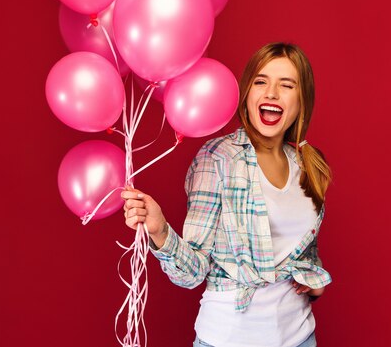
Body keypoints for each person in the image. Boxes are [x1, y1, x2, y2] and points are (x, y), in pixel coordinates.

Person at [121, 42, 332, 347]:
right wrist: (160, 231)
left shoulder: (308, 164)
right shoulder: (219, 158)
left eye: (286, 85)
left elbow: (301, 248)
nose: (271, 92)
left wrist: (315, 281)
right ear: (246, 93)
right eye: (261, 81)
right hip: (228, 339)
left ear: (302, 101)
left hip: (300, 337)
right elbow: (192, 273)